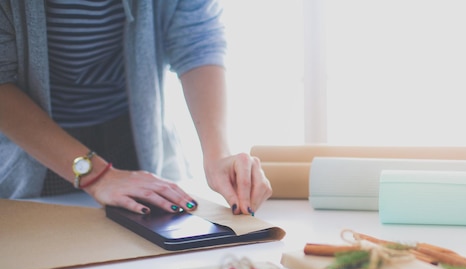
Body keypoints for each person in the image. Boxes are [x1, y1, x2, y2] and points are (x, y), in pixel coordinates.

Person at [0, 0, 272, 215]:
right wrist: (96, 176)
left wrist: (217, 155)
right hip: (33, 154)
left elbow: (197, 39)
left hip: (134, 138)